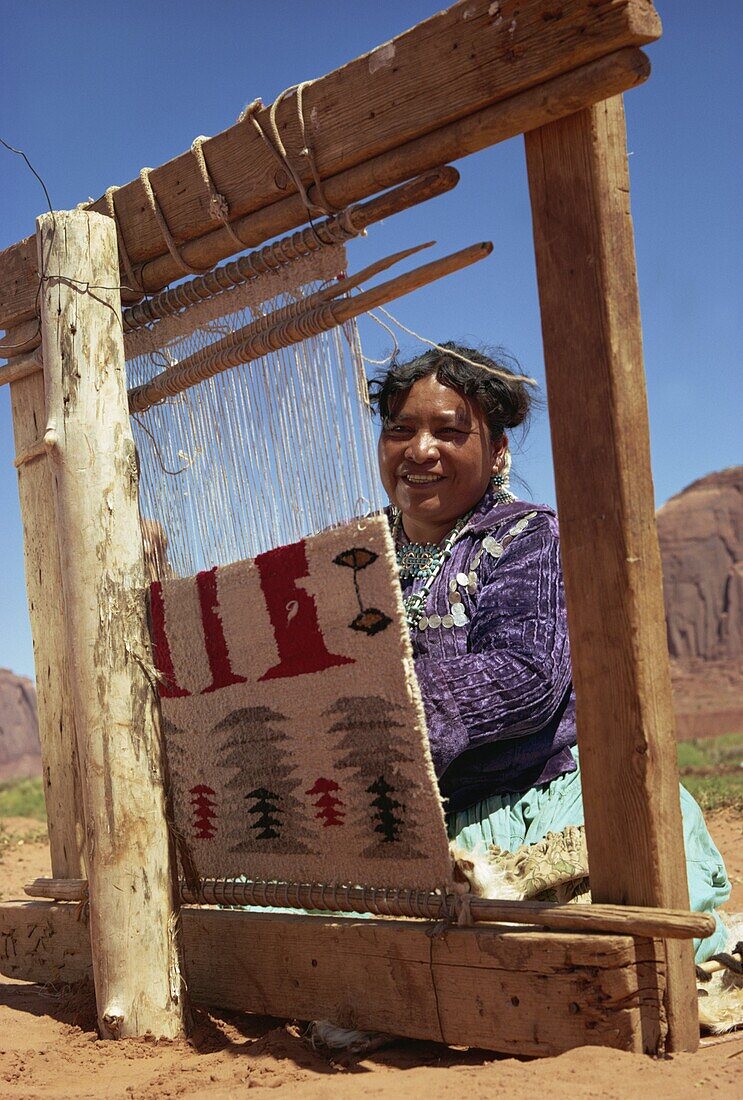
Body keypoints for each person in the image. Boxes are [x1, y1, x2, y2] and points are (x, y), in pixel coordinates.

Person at [368, 341, 731, 962]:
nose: (420, 450)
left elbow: (525, 677)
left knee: (607, 945)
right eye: (401, 430)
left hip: (527, 807)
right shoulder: (360, 555)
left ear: (498, 451)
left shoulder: (529, 537)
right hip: (401, 820)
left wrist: (373, 704)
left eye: (450, 432)